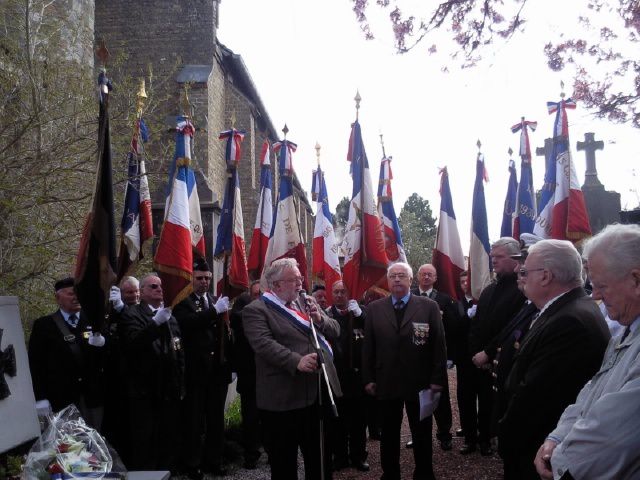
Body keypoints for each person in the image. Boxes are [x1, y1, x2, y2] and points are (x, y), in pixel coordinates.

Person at [534, 224, 640, 480]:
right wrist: (556, 437)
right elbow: (591, 392)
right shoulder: (627, 331)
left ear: (636, 280)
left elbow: (613, 435)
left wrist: (558, 461)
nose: (595, 296)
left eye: (602, 286)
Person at [499, 239, 609, 479]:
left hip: (537, 451)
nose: (519, 272)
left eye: (526, 270)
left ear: (546, 276)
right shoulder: (569, 309)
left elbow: (535, 397)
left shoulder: (569, 321)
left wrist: (505, 435)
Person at [242, 258, 342, 480]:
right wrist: (295, 360)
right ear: (276, 285)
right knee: (284, 463)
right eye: (293, 280)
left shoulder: (306, 303)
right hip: (283, 398)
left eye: (300, 278)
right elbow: (263, 344)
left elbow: (335, 330)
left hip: (316, 394)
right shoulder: (256, 310)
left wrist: (318, 318)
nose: (300, 284)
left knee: (320, 457)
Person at [363, 262, 447, 480]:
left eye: (402, 276)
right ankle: (390, 474)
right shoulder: (374, 309)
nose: (397, 279)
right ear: (388, 281)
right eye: (393, 276)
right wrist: (368, 378)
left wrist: (437, 378)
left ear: (411, 280)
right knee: (389, 434)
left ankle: (424, 473)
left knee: (422, 433)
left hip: (420, 382)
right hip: (386, 381)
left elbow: (439, 345)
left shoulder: (428, 306)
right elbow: (368, 348)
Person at [172, 259, 231, 478]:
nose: (204, 282)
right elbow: (185, 324)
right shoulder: (182, 301)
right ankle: (192, 464)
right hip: (196, 372)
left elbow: (225, 334)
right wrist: (213, 312)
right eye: (199, 278)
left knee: (216, 421)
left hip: (217, 372)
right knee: (194, 422)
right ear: (191, 279)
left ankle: (214, 461)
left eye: (207, 278)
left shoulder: (216, 300)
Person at [119, 274, 185, 472]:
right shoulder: (132, 314)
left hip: (168, 391)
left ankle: (166, 473)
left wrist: (181, 385)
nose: (159, 289)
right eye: (153, 286)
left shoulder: (170, 316)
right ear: (143, 291)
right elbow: (133, 344)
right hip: (144, 392)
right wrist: (155, 323)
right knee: (145, 442)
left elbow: (179, 352)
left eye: (161, 286)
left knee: (167, 440)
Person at [468, 237, 526, 455]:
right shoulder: (489, 290)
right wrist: (475, 352)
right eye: (492, 257)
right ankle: (482, 438)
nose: (494, 261)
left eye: (499, 257)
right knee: (482, 401)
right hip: (481, 360)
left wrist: (488, 353)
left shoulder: (521, 290)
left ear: (515, 259)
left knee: (500, 405)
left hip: (503, 361)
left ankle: (497, 441)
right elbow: (476, 325)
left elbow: (512, 328)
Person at [28, 277, 106, 429]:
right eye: (71, 294)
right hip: (61, 398)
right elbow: (36, 364)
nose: (76, 297)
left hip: (92, 397)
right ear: (58, 297)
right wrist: (40, 398)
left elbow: (107, 358)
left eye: (78, 293)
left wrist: (103, 344)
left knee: (95, 444)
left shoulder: (95, 320)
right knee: (69, 446)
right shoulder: (44, 325)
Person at [408, 263, 462, 451]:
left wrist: (450, 356)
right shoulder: (410, 297)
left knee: (440, 397)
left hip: (437, 356)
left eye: (430, 274)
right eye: (423, 274)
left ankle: (444, 434)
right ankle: (418, 435)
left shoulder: (445, 300)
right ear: (417, 276)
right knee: (415, 399)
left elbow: (454, 329)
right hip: (414, 357)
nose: (426, 277)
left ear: (436, 278)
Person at [326, 280, 369, 472]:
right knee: (338, 421)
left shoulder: (360, 313)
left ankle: (359, 456)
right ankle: (340, 456)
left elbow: (374, 333)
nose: (339, 295)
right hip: (336, 376)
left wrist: (361, 315)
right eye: (336, 291)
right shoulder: (326, 315)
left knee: (359, 420)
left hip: (357, 376)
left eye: (343, 291)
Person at [102, 275, 140, 463]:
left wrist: (122, 309)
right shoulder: (112, 312)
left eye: (135, 291)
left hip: (137, 377)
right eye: (128, 292)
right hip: (115, 377)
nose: (133, 295)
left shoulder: (141, 311)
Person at [230, 279, 262, 469]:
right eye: (256, 294)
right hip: (249, 374)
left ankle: (271, 450)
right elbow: (235, 319)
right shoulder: (243, 306)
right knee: (250, 417)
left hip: (269, 376)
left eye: (262, 294)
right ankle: (251, 454)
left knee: (269, 417)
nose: (259, 297)